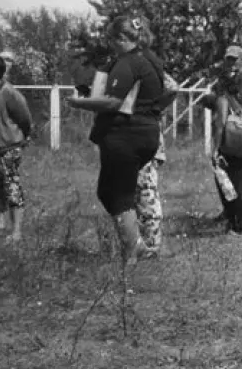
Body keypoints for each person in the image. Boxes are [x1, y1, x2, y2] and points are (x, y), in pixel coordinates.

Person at [68, 16, 171, 263]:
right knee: (110, 191)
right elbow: (172, 88)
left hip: (125, 135)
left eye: (111, 40)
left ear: (120, 39)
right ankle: (137, 246)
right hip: (147, 131)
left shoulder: (127, 63)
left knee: (119, 196)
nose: (110, 45)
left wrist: (79, 103)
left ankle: (132, 255)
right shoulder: (152, 60)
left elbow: (113, 101)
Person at [0, 53, 32, 242]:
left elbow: (24, 118)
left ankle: (16, 231)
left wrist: (23, 137)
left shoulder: (8, 93)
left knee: (10, 185)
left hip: (6, 148)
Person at [209, 75, 242, 234]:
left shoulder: (223, 100)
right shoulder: (240, 102)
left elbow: (220, 125)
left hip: (227, 149)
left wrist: (215, 149)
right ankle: (241, 221)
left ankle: (235, 223)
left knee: (226, 186)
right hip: (241, 149)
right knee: (240, 185)